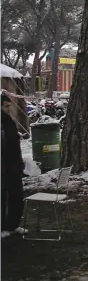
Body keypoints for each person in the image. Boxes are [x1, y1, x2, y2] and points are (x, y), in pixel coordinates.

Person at [1, 94, 27, 238]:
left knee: (16, 195)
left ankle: (13, 223)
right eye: (6, 106)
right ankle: (3, 226)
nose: (9, 108)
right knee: (2, 196)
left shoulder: (9, 121)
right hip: (4, 165)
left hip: (13, 164)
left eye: (9, 105)